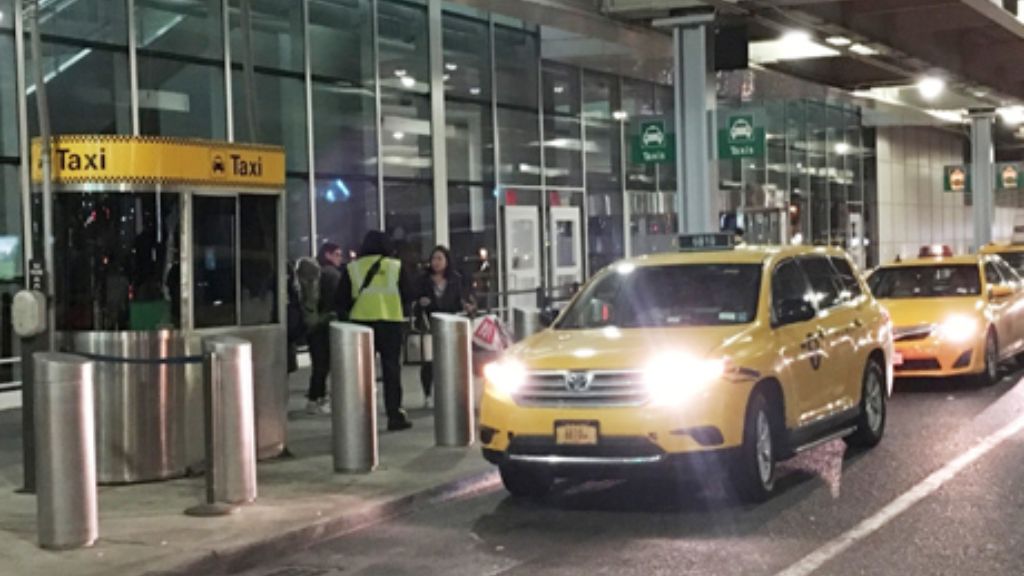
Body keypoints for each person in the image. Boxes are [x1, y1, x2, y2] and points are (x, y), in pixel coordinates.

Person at [338, 231, 414, 431]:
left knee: (360, 372)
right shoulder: (395, 266)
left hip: (360, 325)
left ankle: (359, 417)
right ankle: (394, 414)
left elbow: (341, 299)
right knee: (391, 371)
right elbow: (408, 294)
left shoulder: (352, 268)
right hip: (389, 322)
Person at [414, 246, 475, 408]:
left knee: (452, 360)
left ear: (447, 261)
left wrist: (467, 306)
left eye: (440, 258)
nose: (436, 262)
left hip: (450, 322)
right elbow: (415, 298)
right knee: (429, 361)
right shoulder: (423, 279)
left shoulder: (455, 279)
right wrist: (421, 302)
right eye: (434, 258)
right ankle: (428, 394)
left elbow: (462, 298)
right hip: (430, 323)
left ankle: (451, 393)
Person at [298, 242, 343, 415]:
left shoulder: (313, 274)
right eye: (337, 254)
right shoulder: (332, 274)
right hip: (325, 323)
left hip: (312, 323)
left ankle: (314, 398)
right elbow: (336, 299)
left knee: (319, 363)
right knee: (323, 364)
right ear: (327, 255)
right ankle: (319, 398)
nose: (340, 258)